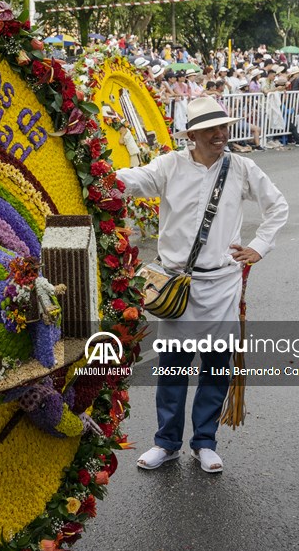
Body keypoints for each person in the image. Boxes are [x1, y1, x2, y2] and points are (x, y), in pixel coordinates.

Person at [116, 96, 288, 474]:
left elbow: (277, 206)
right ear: (191, 134)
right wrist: (95, 171)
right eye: (210, 129)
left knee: (215, 365)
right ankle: (166, 442)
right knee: (173, 366)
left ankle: (205, 442)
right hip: (176, 286)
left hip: (222, 283)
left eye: (223, 127)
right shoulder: (169, 166)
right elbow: (133, 180)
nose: (220, 134)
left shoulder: (242, 167)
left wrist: (258, 246)